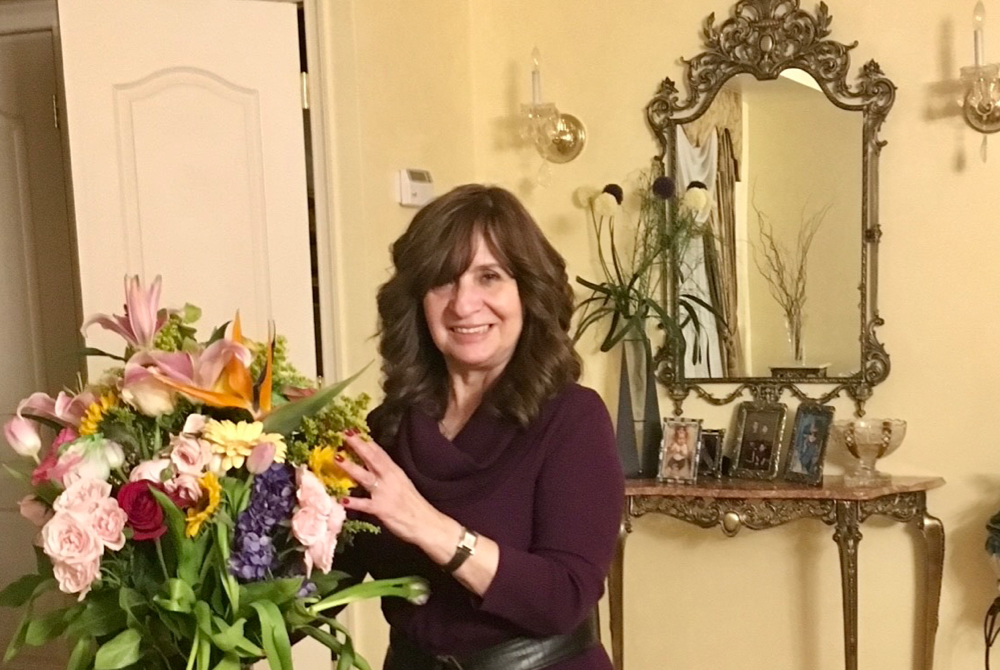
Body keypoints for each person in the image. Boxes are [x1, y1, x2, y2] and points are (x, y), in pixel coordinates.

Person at [335, 184, 625, 670]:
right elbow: (324, 583)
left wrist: (426, 526)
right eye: (443, 282)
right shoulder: (388, 430)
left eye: (488, 277)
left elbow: (564, 598)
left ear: (528, 292)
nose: (463, 305)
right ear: (418, 301)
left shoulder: (573, 419)